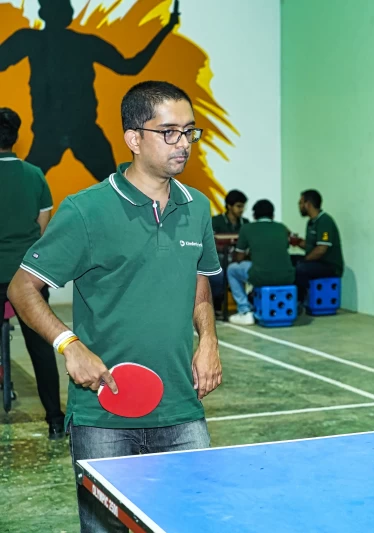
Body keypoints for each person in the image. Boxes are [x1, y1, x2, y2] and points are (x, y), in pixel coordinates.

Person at [8, 81, 223, 532]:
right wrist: (69, 344)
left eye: (189, 131)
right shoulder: (86, 211)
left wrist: (208, 341)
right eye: (169, 132)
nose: (182, 143)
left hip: (183, 409)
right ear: (133, 138)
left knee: (193, 524)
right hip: (104, 416)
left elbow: (199, 280)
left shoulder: (198, 208)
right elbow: (23, 287)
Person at [0, 0, 179, 181]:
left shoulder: (42, 41)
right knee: (115, 187)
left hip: (77, 131)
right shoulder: (71, 42)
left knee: (115, 186)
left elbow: (130, 67)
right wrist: (166, 28)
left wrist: (166, 29)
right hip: (57, 132)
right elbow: (131, 66)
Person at [0, 107, 65, 439]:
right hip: (25, 278)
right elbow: (43, 229)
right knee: (41, 347)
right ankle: (55, 419)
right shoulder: (35, 175)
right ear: (15, 138)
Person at [227, 199, 295, 325]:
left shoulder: (247, 228)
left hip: (261, 276)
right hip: (288, 276)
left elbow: (239, 257)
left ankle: (245, 311)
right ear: (273, 215)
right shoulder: (281, 228)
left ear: (254, 215)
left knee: (232, 269)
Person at [291, 189, 344, 305]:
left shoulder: (325, 221)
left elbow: (321, 249)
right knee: (289, 260)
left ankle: (300, 300)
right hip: (317, 262)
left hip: (329, 266)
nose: (299, 206)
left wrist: (304, 261)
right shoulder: (311, 222)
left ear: (308, 204)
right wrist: (296, 241)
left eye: (300, 203)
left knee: (300, 268)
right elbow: (311, 246)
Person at [209, 189, 250, 313]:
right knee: (218, 273)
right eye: (238, 206)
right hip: (219, 260)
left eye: (243, 206)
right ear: (229, 206)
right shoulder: (216, 221)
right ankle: (217, 302)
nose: (242, 209)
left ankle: (246, 304)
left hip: (238, 259)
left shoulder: (246, 223)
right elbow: (208, 243)